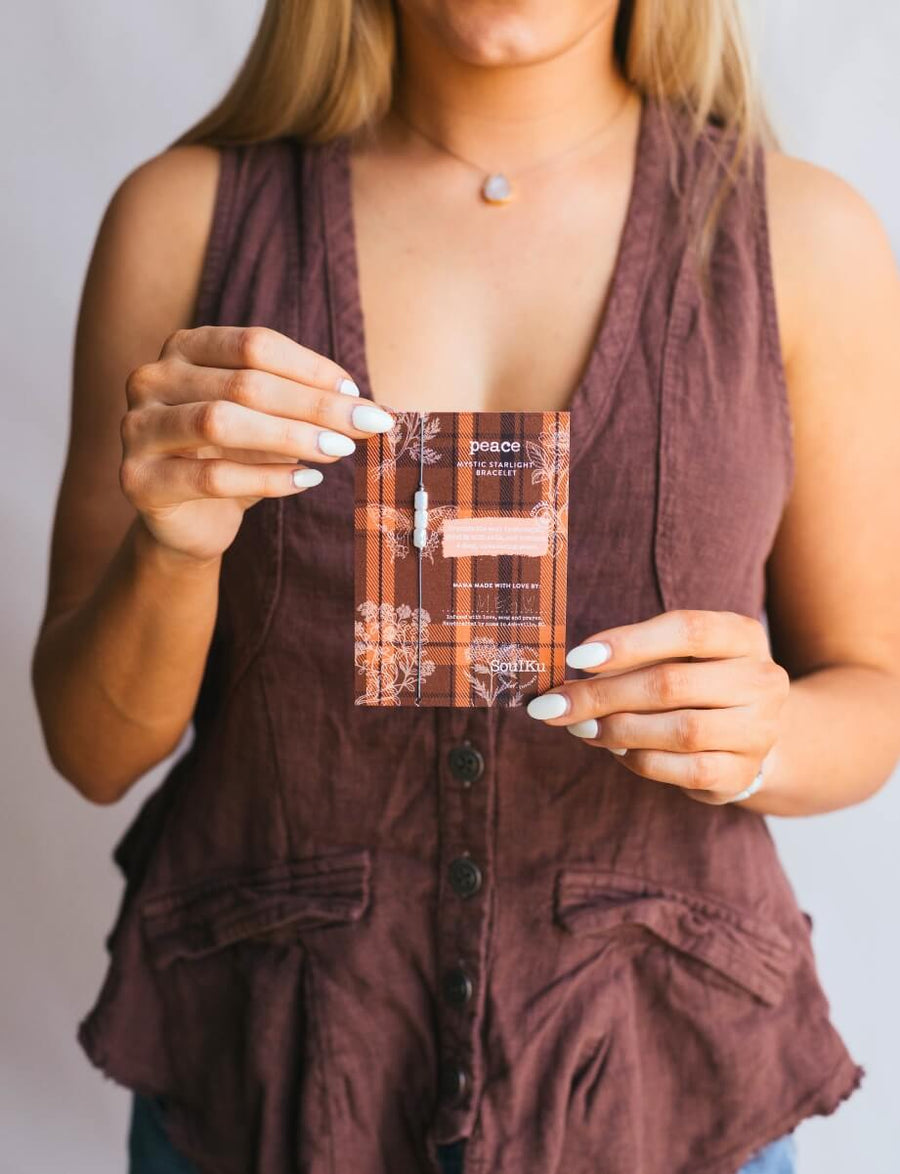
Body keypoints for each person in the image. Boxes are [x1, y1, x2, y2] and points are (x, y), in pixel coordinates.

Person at [30, 1, 899, 1172]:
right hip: (276, 1078)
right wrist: (175, 547)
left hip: (660, 1082)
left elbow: (878, 690)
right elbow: (92, 750)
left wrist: (769, 732)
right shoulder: (184, 219)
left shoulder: (803, 236)